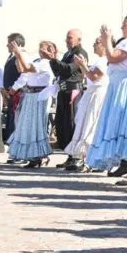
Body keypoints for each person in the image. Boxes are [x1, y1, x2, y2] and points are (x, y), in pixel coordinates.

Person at [86, 11, 127, 188]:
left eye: (125, 25)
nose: (122, 28)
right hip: (121, 84)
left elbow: (113, 57)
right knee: (124, 123)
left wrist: (107, 40)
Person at [63, 37, 110, 173]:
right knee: (83, 124)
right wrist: (83, 66)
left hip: (98, 93)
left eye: (97, 42)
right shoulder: (97, 60)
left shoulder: (104, 60)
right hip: (90, 92)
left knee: (92, 124)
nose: (94, 44)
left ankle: (92, 159)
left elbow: (95, 77)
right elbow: (87, 76)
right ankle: (81, 157)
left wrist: (83, 65)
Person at [7, 40, 56, 168]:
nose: (40, 49)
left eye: (44, 47)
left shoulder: (46, 63)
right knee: (28, 126)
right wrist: (18, 55)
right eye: (40, 47)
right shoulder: (37, 61)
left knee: (37, 126)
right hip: (30, 95)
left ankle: (40, 155)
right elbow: (22, 69)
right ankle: (33, 155)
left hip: (40, 96)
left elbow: (28, 68)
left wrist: (18, 53)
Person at [49, 29, 88, 167]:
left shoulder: (80, 53)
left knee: (71, 123)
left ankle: (75, 156)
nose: (67, 40)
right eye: (67, 38)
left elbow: (68, 69)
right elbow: (58, 72)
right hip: (63, 91)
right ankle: (69, 154)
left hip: (73, 92)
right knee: (62, 124)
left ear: (78, 39)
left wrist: (54, 59)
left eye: (70, 38)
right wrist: (53, 60)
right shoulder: (67, 53)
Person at [2, 33, 27, 165]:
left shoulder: (22, 55)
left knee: (19, 124)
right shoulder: (12, 56)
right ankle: (15, 152)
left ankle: (20, 153)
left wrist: (14, 88)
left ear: (16, 44)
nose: (7, 45)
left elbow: (24, 74)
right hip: (12, 94)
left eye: (9, 42)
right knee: (14, 123)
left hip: (19, 94)